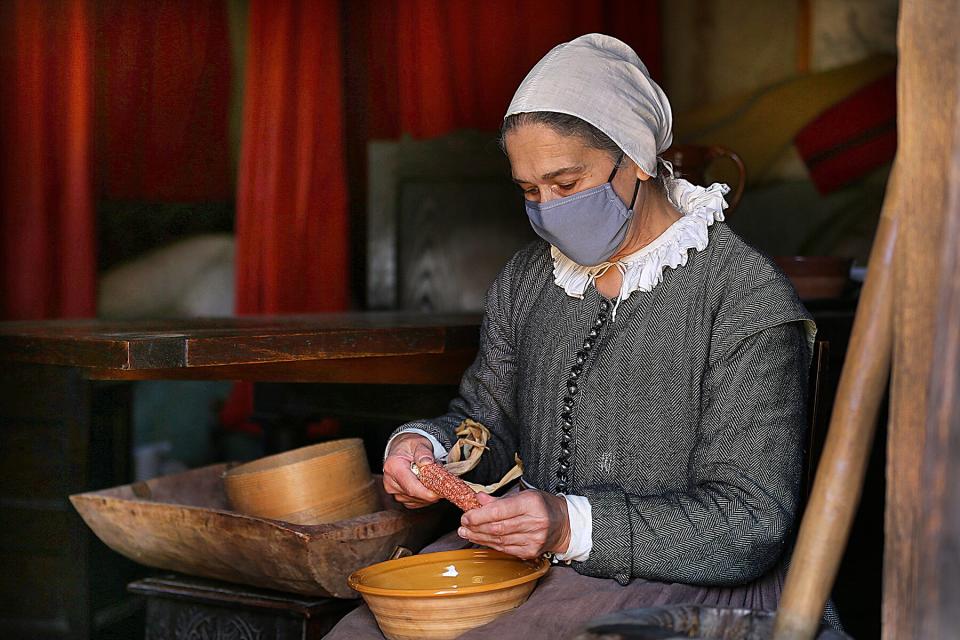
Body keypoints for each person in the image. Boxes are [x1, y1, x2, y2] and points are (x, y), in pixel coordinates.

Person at [327, 33, 819, 639]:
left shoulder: (742, 298)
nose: (548, 208)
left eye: (565, 184)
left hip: (680, 587)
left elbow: (748, 523)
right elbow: (488, 420)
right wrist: (425, 449)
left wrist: (568, 525)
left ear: (636, 158)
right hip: (525, 566)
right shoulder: (529, 280)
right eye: (529, 191)